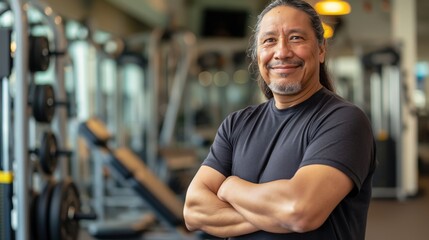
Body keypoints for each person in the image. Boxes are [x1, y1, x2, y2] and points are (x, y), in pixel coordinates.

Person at [183, 0, 376, 239]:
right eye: (269, 40)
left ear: (321, 49)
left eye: (296, 38)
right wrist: (277, 215)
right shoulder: (236, 124)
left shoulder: (343, 120)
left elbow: (299, 211)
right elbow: (193, 210)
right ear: (258, 54)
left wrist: (229, 187)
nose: (282, 52)